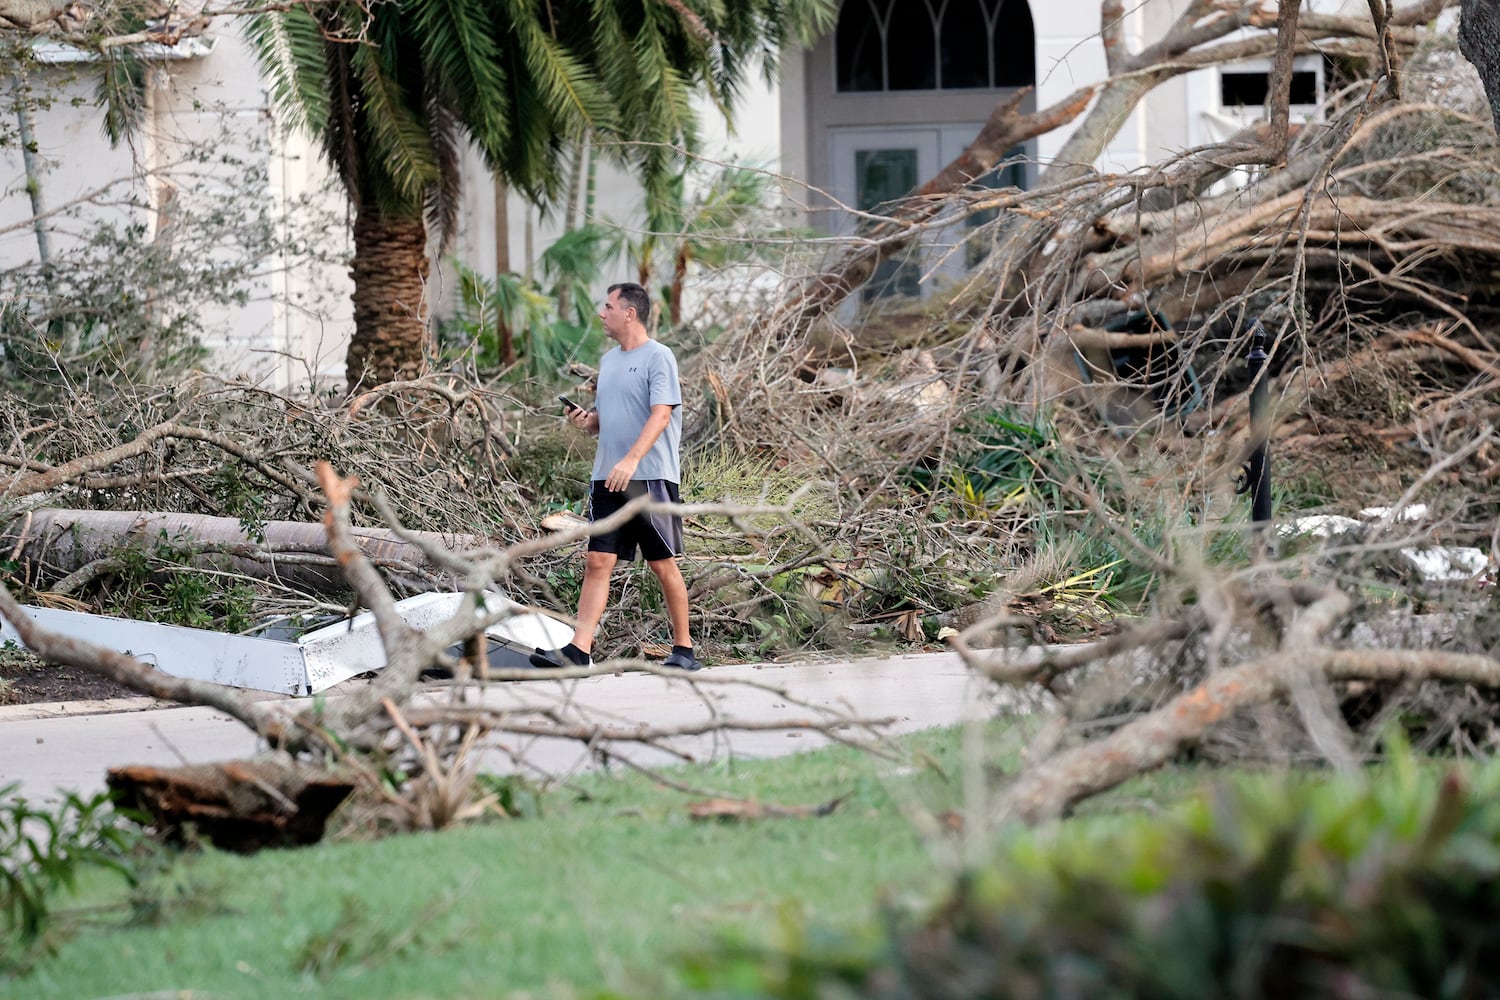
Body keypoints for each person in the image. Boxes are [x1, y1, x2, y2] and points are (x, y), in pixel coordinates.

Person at [531, 282, 703, 672]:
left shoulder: (660, 357)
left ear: (630, 313)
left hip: (649, 478)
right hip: (606, 478)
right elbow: (602, 422)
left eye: (608, 306)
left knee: (662, 564)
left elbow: (661, 414)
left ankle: (685, 650)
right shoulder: (608, 362)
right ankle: (580, 649)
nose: (601, 314)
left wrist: (631, 461)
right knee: (597, 562)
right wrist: (585, 421)